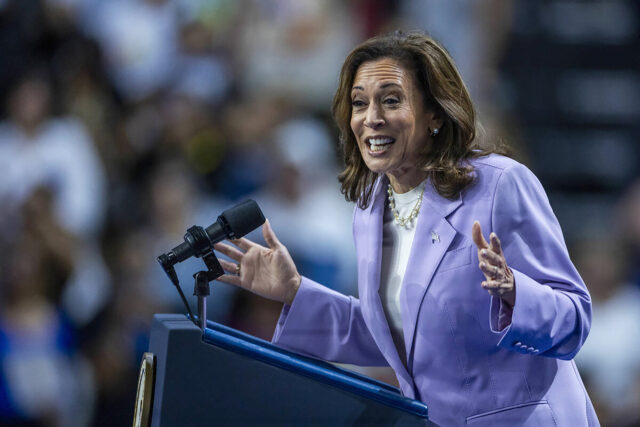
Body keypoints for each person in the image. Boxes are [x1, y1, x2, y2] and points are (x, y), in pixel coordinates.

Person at [214, 32, 598, 426]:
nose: (371, 117)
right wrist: (293, 292)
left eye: (391, 100)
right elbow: (402, 337)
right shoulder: (369, 210)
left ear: (434, 113)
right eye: (360, 103)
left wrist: (516, 292)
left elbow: (574, 319)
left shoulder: (500, 186)